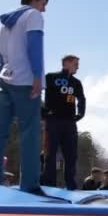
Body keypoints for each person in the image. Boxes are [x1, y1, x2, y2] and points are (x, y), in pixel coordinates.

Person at [0, 0, 48, 194]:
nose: (44, 9)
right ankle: (29, 184)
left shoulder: (6, 24)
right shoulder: (33, 15)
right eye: (43, 3)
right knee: (30, 133)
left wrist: (2, 74)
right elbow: (34, 45)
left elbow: (1, 56)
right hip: (26, 81)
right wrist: (38, 75)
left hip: (5, 80)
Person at [42, 54, 86, 190]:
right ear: (66, 62)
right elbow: (36, 91)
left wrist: (80, 114)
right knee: (50, 154)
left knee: (71, 155)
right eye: (76, 63)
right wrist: (43, 112)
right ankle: (49, 185)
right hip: (53, 120)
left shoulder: (76, 82)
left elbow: (82, 99)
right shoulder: (50, 77)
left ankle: (71, 185)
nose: (78, 67)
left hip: (69, 123)